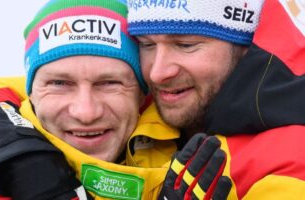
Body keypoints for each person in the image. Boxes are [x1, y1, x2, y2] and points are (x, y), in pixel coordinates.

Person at [0, 0, 229, 199]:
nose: (86, 112)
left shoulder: (214, 168)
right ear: (31, 94)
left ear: (142, 95)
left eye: (109, 83)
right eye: (60, 84)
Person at [127, 0, 305, 198]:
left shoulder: (292, 159)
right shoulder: (125, 116)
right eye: (147, 44)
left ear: (246, 46)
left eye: (186, 45)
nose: (157, 73)